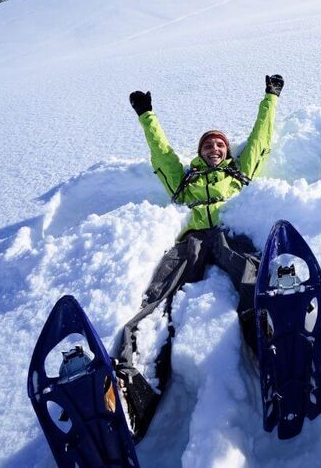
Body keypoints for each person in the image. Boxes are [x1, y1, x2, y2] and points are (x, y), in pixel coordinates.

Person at [115, 74, 284, 440]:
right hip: (191, 239)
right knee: (159, 294)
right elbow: (161, 153)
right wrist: (146, 115)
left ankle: (271, 348)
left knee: (249, 276)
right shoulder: (184, 179)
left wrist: (270, 97)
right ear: (200, 151)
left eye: (220, 145)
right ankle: (134, 375)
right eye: (208, 145)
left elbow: (261, 139)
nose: (214, 149)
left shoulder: (238, 172)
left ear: (227, 151)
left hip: (227, 233)